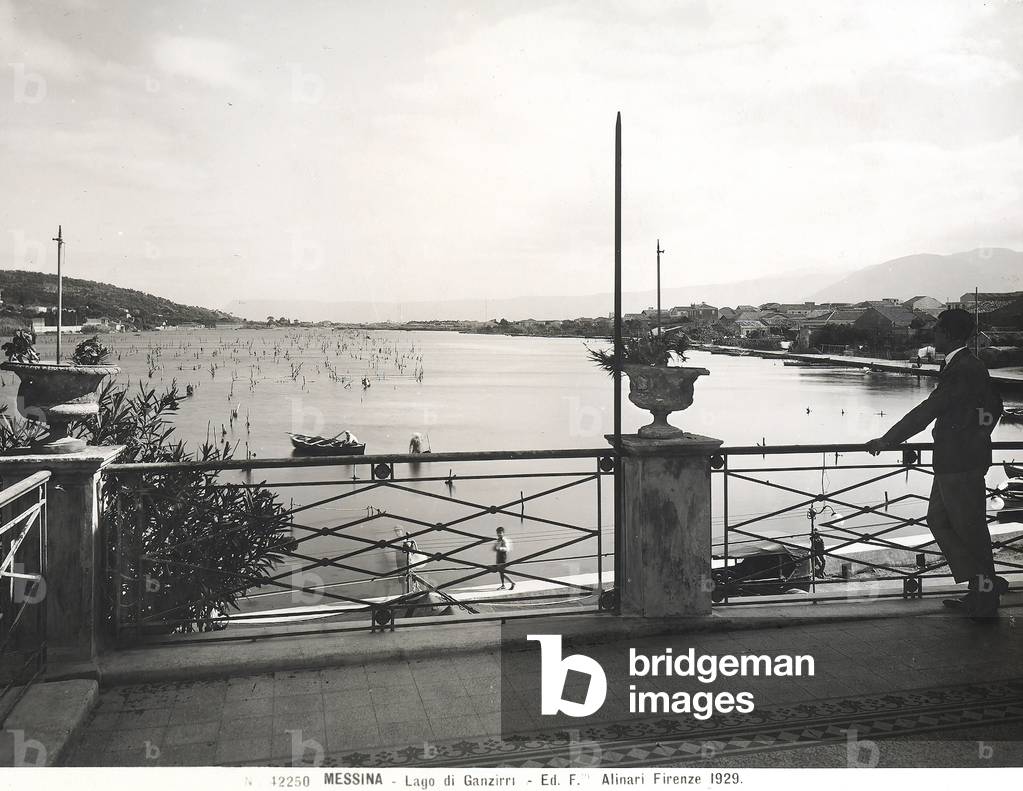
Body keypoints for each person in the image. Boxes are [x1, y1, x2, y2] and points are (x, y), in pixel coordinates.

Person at [865, 309, 1003, 621]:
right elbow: (993, 406)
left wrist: (888, 440)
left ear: (952, 335)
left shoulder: (964, 368)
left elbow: (929, 410)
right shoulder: (962, 364)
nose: (934, 335)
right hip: (953, 461)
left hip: (960, 464)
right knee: (940, 521)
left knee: (969, 531)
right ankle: (982, 586)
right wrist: (975, 431)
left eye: (938, 330)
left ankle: (985, 595)